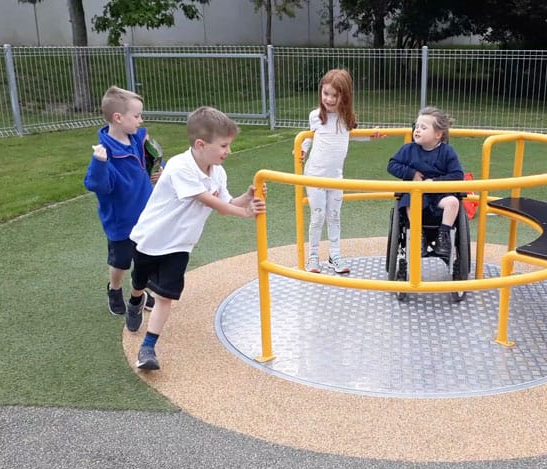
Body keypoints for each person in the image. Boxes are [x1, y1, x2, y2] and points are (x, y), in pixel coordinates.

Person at [126, 106, 266, 370]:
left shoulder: (218, 172)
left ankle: (148, 348)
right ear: (201, 144)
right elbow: (211, 203)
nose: (228, 151)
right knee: (139, 281)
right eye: (223, 146)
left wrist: (246, 197)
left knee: (165, 297)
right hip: (150, 239)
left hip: (179, 245)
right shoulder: (181, 167)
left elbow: (226, 203)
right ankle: (135, 300)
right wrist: (245, 213)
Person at [84, 86, 160, 316]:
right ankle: (115, 289)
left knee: (145, 255)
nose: (141, 120)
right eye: (136, 116)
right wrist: (99, 163)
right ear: (118, 117)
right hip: (121, 220)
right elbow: (98, 185)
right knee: (121, 261)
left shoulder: (136, 139)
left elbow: (149, 162)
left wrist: (158, 170)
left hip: (144, 212)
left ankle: (140, 290)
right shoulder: (105, 152)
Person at [299, 68, 379, 274]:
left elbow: (354, 134)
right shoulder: (316, 116)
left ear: (345, 96)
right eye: (326, 94)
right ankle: (313, 257)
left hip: (336, 178)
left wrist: (372, 135)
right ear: (321, 93)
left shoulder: (345, 118)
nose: (330, 99)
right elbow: (309, 136)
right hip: (315, 176)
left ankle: (334, 255)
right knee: (318, 215)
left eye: (335, 95)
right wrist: (301, 149)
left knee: (334, 216)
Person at [387, 106, 464, 259]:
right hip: (416, 193)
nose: (417, 130)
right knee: (409, 199)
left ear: (438, 134)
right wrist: (412, 173)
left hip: (439, 195)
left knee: (453, 202)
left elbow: (457, 175)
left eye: (423, 127)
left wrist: (435, 182)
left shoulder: (447, 152)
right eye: (416, 126)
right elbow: (392, 165)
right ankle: (417, 235)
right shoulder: (408, 149)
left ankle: (443, 235)